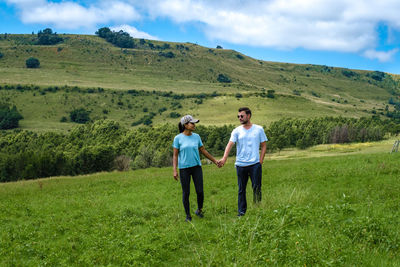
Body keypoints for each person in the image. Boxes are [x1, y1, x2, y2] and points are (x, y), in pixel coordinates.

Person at [219, 107, 268, 217]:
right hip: (240, 165)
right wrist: (224, 158)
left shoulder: (259, 129)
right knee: (241, 190)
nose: (240, 118)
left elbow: (264, 145)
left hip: (255, 164)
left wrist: (260, 161)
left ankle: (257, 209)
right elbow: (230, 144)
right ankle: (241, 212)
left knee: (256, 187)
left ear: (248, 116)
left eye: (242, 116)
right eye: (238, 116)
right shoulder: (236, 131)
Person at [173, 115, 220, 222]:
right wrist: (175, 170)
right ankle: (188, 216)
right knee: (186, 193)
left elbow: (203, 150)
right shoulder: (177, 138)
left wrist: (215, 161)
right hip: (184, 168)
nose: (194, 125)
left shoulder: (197, 137)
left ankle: (199, 210)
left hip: (196, 167)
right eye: (192, 123)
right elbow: (175, 155)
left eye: (194, 123)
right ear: (185, 125)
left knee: (200, 191)